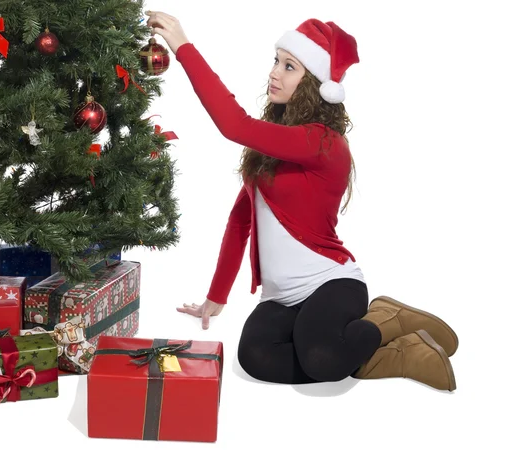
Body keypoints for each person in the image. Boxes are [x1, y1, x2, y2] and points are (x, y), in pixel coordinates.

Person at [145, 11, 459, 391]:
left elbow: (234, 125)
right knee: (255, 358)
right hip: (280, 297)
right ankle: (371, 354)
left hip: (330, 283)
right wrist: (216, 298)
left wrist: (182, 46)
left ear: (314, 83)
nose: (275, 72)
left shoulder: (323, 141)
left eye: (289, 66)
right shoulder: (274, 146)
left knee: (322, 359)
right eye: (276, 61)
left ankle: (387, 321)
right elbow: (240, 221)